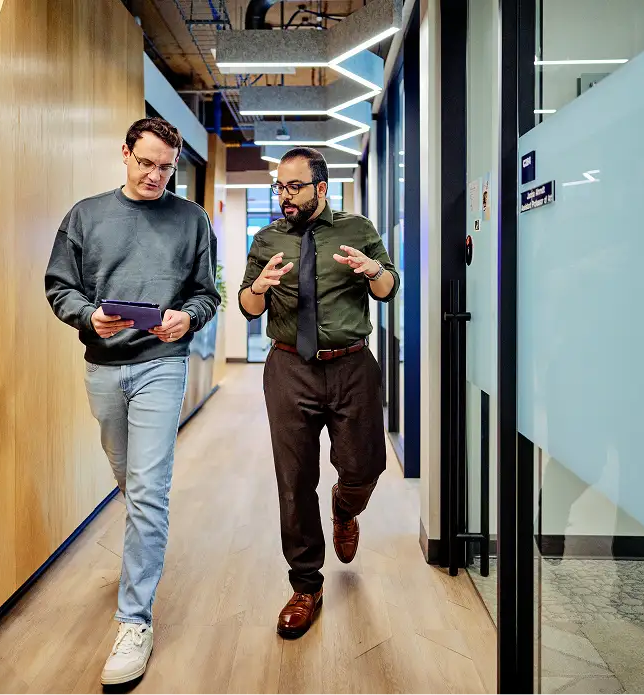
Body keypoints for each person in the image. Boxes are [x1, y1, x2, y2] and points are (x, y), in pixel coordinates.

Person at [44, 117, 219, 685]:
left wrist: (185, 317)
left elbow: (206, 294)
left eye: (166, 168)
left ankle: (134, 621)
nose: (155, 176)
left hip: (161, 366)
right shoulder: (86, 216)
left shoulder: (191, 220)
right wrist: (86, 315)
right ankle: (145, 539)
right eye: (146, 163)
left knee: (146, 490)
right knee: (130, 481)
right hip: (103, 367)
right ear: (125, 153)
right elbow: (59, 287)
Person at [238, 146, 399, 638]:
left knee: (365, 464)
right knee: (294, 480)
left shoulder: (358, 230)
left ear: (321, 189)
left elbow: (389, 287)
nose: (284, 196)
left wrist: (372, 271)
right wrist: (261, 287)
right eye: (279, 187)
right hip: (289, 368)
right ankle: (306, 585)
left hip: (351, 365)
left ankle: (346, 505)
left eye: (294, 187)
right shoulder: (267, 239)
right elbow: (246, 306)